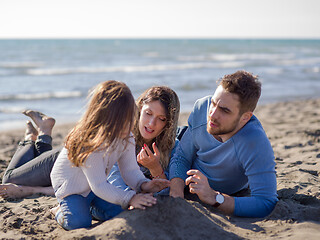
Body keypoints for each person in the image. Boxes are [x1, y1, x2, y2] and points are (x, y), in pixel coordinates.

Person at [0, 86, 180, 199]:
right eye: (148, 113)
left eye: (161, 118)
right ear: (140, 109)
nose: (151, 123)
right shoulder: (122, 133)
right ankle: (34, 138)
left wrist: (156, 170)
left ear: (169, 123)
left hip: (84, 178)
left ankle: (43, 133)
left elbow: (170, 195)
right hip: (71, 159)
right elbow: (107, 185)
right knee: (9, 179)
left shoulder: (173, 147)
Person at [49, 80, 170, 230]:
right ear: (106, 119)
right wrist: (131, 198)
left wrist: (144, 184)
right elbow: (99, 185)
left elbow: (130, 170)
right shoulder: (89, 144)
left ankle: (87, 207)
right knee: (79, 223)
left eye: (130, 118)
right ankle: (60, 211)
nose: (128, 125)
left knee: (120, 212)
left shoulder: (126, 137)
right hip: (72, 189)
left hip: (95, 188)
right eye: (123, 121)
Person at [169, 70, 278, 218]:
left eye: (225, 110)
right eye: (213, 103)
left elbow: (266, 202)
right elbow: (182, 157)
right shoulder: (202, 108)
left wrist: (214, 197)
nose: (212, 114)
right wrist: (176, 196)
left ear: (245, 118)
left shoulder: (254, 141)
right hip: (180, 138)